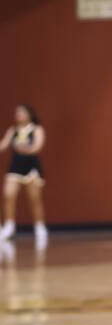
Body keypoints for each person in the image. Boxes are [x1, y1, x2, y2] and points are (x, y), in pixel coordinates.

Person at [1, 104, 47, 248]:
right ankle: (9, 227)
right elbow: (2, 145)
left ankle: (39, 227)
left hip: (31, 167)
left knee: (34, 199)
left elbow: (38, 146)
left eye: (21, 112)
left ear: (29, 114)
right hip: (15, 167)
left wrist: (28, 149)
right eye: (17, 113)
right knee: (8, 195)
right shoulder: (13, 130)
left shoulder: (36, 129)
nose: (18, 115)